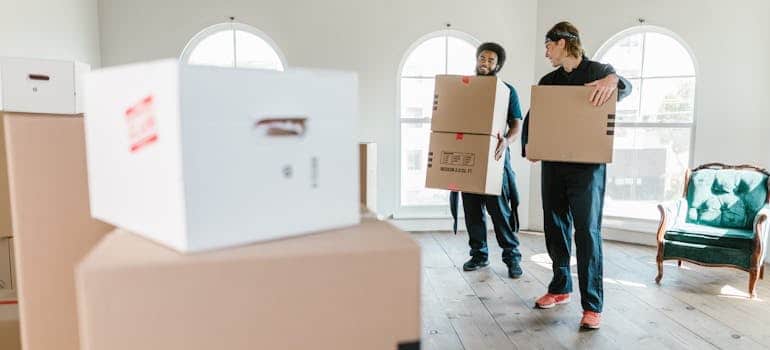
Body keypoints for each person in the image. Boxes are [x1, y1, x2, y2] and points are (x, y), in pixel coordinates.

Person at [521, 21, 632, 330]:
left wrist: (613, 79)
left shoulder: (599, 72)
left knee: (586, 232)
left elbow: (626, 87)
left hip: (588, 170)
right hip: (554, 166)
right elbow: (534, 116)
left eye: (548, 46)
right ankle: (560, 288)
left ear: (563, 43)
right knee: (554, 227)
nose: (546, 53)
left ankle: (592, 305)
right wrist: (528, 145)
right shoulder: (548, 80)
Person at [449, 42, 524, 279]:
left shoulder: (507, 90)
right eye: (483, 58)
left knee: (499, 211)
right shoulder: (465, 87)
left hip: (494, 156)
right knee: (472, 211)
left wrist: (507, 142)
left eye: (491, 60)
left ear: (497, 65)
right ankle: (479, 255)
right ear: (477, 59)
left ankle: (512, 257)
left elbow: (516, 125)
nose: (486, 63)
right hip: (468, 156)